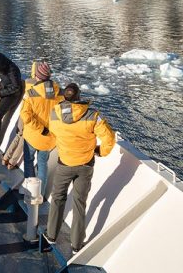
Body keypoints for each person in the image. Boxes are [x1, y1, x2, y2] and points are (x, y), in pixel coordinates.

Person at [43, 83, 116, 253]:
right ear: (78, 96)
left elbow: (53, 132)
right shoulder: (92, 115)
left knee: (57, 198)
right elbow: (109, 138)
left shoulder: (54, 114)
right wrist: (101, 151)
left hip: (65, 163)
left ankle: (51, 235)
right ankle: (76, 244)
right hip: (85, 165)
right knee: (79, 203)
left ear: (65, 97)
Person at [20, 61, 60, 198]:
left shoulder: (31, 93)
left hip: (33, 136)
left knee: (29, 161)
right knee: (43, 165)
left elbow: (25, 116)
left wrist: (40, 128)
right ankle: (40, 194)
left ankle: (30, 191)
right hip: (49, 139)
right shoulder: (59, 93)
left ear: (37, 76)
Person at [0, 52, 24, 148]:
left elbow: (16, 87)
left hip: (11, 96)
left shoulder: (12, 70)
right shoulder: (5, 68)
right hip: (6, 93)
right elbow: (5, 80)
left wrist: (0, 93)